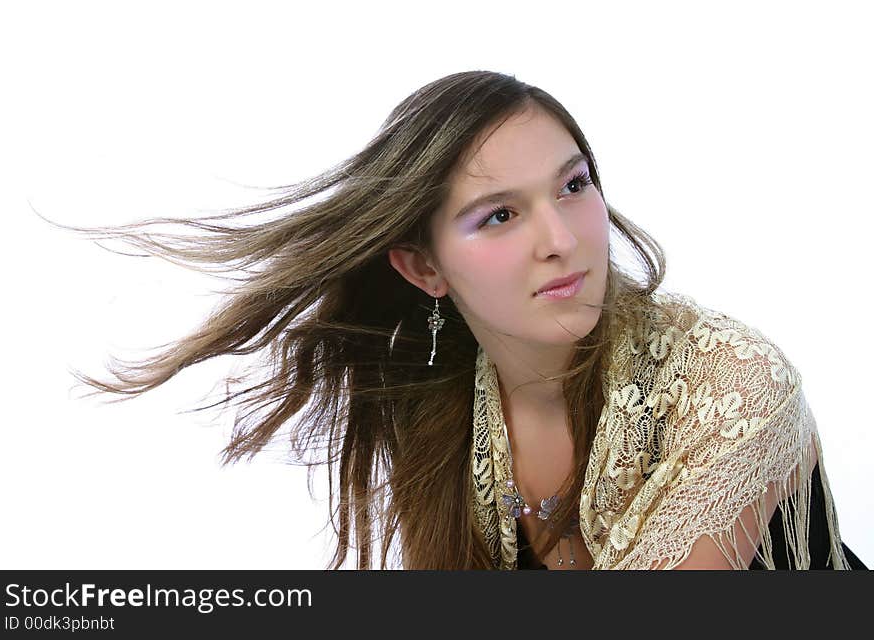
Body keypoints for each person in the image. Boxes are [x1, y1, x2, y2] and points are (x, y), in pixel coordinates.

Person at [53, 70, 865, 570]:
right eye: (501, 216)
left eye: (574, 185)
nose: (562, 240)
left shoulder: (732, 381)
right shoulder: (442, 407)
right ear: (423, 267)